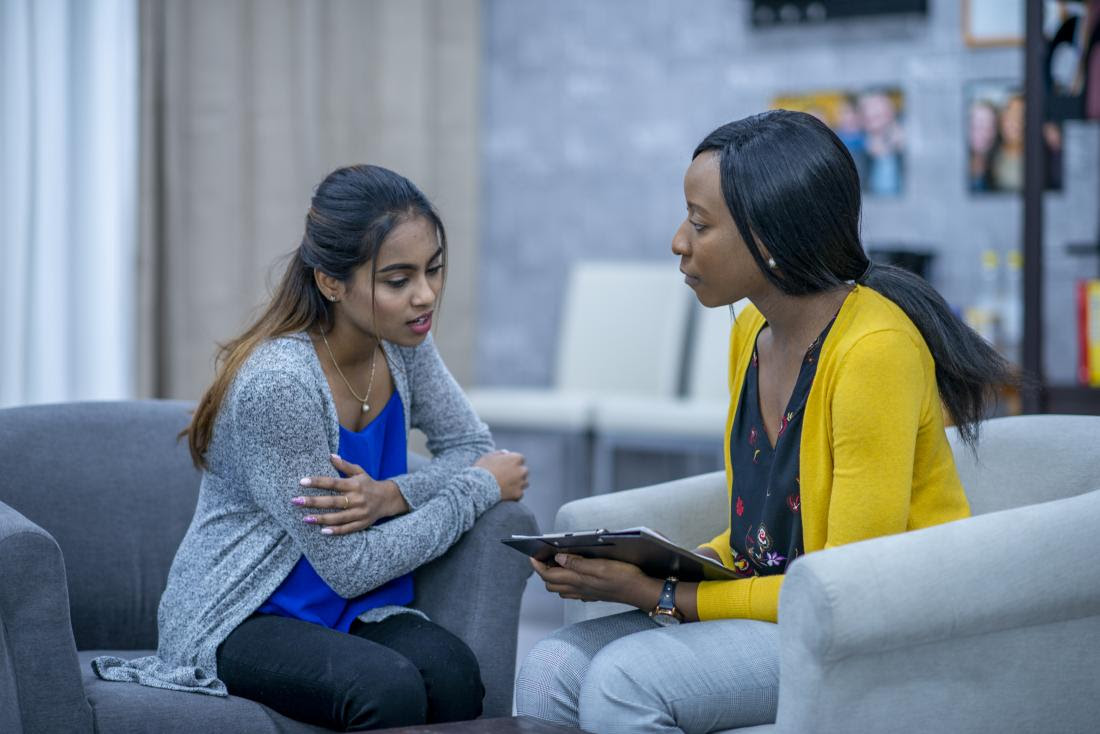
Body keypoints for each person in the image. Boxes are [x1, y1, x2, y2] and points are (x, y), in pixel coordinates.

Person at [515, 110, 1011, 734]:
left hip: (871, 635)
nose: (678, 241)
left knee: (625, 681)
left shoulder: (874, 351)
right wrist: (663, 565)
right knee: (550, 668)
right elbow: (768, 531)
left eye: (699, 223)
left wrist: (658, 596)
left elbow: (840, 587)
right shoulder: (751, 329)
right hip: (780, 609)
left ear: (771, 240)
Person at [92, 164, 529, 731]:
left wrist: (394, 494)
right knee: (385, 689)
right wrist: (477, 486)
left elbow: (468, 443)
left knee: (455, 676)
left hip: (355, 608)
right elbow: (351, 564)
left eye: (434, 270)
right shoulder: (281, 385)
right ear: (331, 282)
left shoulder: (404, 341)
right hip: (246, 613)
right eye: (397, 280)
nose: (424, 296)